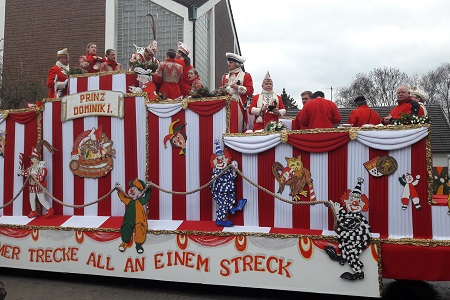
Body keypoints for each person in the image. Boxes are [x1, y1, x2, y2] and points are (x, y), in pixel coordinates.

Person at [18, 143, 55, 218]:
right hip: (31, 186)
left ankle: (50, 209)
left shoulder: (42, 168)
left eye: (34, 158)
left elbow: (40, 178)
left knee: (41, 199)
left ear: (38, 159)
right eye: (32, 159)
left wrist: (33, 174)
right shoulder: (30, 168)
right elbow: (25, 173)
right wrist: (21, 172)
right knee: (31, 199)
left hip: (39, 186)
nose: (33, 160)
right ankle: (33, 211)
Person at [116, 178, 151, 254]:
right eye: (131, 188)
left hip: (139, 220)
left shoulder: (141, 201)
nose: (132, 190)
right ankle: (124, 243)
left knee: (140, 228)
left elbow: (147, 197)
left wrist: (149, 188)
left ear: (140, 192)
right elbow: (123, 198)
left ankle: (138, 245)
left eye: (135, 189)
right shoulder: (129, 201)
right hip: (129, 219)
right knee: (126, 227)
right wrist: (119, 190)